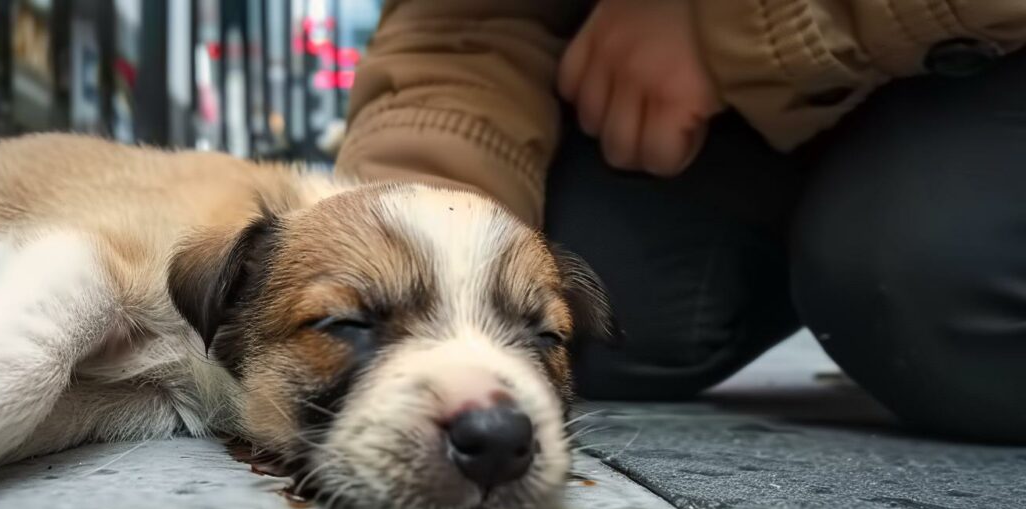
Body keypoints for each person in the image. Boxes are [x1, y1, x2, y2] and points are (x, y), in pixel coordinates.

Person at [334, 0, 1026, 443]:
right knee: (595, 300)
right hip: (717, 93)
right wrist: (408, 233)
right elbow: (468, 23)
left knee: (932, 283)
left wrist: (733, 28)